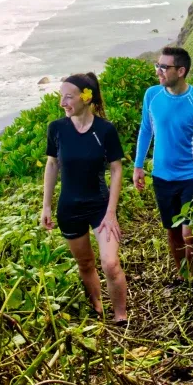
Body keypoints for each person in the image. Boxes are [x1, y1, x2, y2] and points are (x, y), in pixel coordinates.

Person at [41, 72, 128, 323]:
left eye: (68, 97)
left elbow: (116, 168)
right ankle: (98, 307)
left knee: (110, 263)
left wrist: (111, 212)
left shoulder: (105, 130)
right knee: (86, 265)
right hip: (69, 209)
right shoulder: (56, 128)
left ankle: (121, 315)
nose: (62, 103)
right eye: (61, 97)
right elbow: (52, 165)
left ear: (86, 97)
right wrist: (46, 205)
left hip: (100, 206)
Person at [132, 45, 193, 277]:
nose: (158, 71)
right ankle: (183, 276)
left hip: (191, 176)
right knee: (171, 231)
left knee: (189, 233)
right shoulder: (152, 94)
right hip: (161, 177)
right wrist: (138, 165)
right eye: (157, 65)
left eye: (163, 67)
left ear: (180, 71)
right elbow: (145, 130)